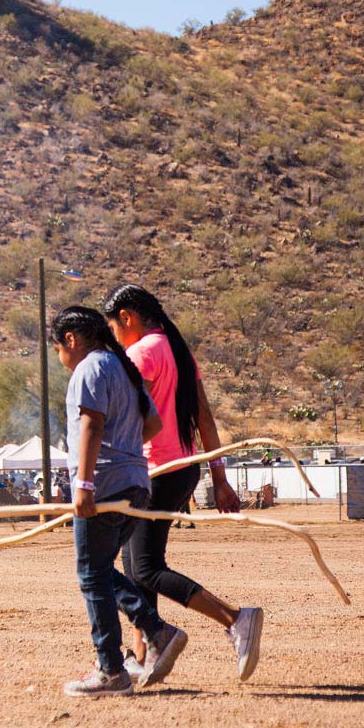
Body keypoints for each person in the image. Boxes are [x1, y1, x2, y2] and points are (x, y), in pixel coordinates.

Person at [103, 284, 266, 681]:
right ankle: (144, 652)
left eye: (113, 328)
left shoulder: (141, 353)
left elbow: (119, 416)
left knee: (143, 567)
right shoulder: (178, 353)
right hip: (184, 466)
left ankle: (234, 617)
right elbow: (205, 418)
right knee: (135, 561)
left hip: (153, 471)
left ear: (127, 317)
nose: (115, 337)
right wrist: (219, 478)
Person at [50, 305, 180, 698]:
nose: (61, 359)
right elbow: (153, 425)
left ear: (70, 339)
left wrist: (85, 484)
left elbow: (90, 423)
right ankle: (157, 630)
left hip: (103, 485)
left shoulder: (89, 368)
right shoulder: (124, 370)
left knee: (91, 574)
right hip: (135, 483)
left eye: (58, 349)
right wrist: (125, 450)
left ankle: (110, 669)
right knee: (101, 570)